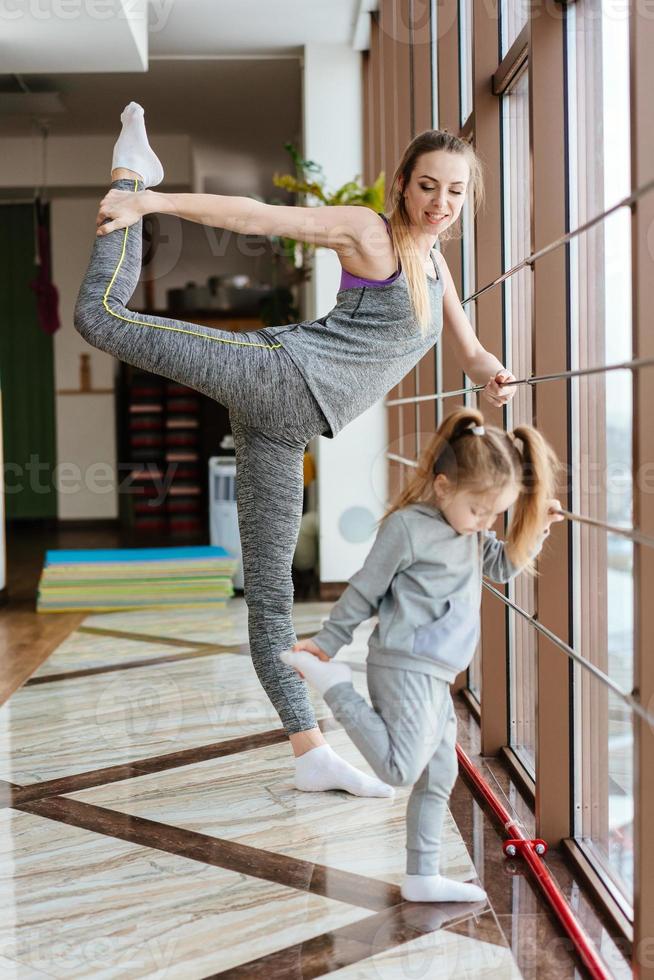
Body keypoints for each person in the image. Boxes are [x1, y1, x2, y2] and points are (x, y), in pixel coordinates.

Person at [74, 102, 518, 798]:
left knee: (271, 599)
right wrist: (151, 203)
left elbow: (465, 348)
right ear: (403, 183)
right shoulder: (368, 231)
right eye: (429, 185)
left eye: (457, 191)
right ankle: (132, 176)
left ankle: (308, 749)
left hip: (284, 425)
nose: (442, 202)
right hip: (274, 371)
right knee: (99, 318)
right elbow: (257, 218)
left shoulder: (433, 263)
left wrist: (491, 373)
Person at [281, 407, 563, 903]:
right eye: (479, 510)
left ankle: (422, 875)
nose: (485, 522)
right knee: (399, 770)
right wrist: (328, 642)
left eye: (495, 513)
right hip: (403, 664)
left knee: (439, 775)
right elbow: (364, 590)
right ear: (442, 486)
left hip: (437, 675)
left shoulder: (472, 533)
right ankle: (335, 686)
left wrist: (537, 530)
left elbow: (502, 567)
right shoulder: (409, 528)